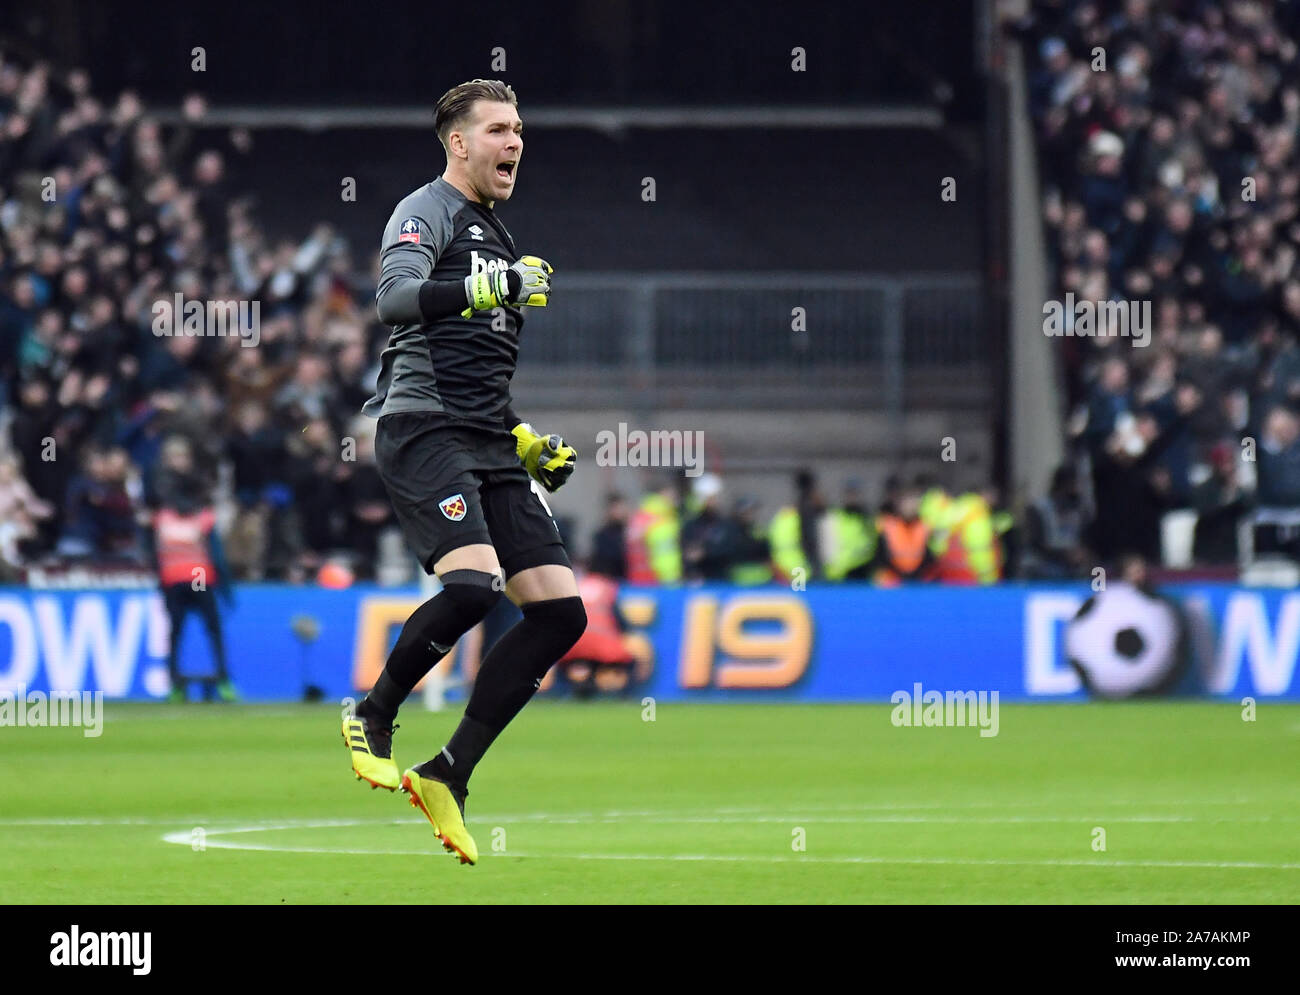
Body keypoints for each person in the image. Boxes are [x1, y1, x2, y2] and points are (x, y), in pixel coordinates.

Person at [342, 80, 587, 866]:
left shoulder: (498, 234)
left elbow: (481, 378)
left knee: (560, 612)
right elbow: (395, 299)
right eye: (499, 129)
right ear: (459, 142)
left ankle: (450, 772)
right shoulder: (428, 210)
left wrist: (526, 445)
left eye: (520, 128)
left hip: (483, 438)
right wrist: (485, 286)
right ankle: (372, 712)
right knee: (475, 586)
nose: (515, 141)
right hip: (423, 427)